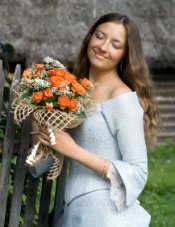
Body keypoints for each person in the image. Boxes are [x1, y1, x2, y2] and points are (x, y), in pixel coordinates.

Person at [38, 13, 160, 227]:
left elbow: (138, 172)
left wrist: (73, 150)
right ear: (89, 38)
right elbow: (41, 165)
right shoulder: (74, 93)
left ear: (125, 54)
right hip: (77, 211)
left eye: (115, 44)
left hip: (106, 215)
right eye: (100, 36)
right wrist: (37, 120)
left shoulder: (120, 97)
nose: (103, 47)